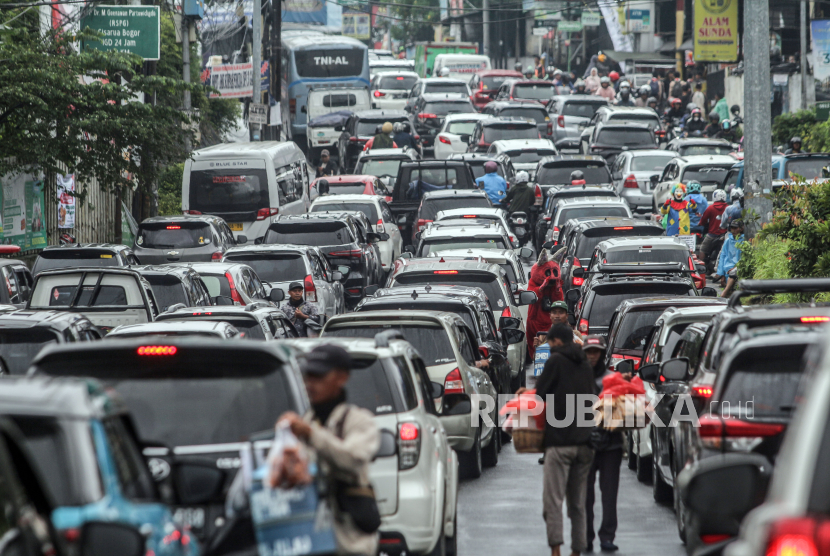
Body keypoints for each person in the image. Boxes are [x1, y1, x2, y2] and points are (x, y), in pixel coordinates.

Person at [278, 344, 381, 556]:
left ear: (342, 377)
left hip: (351, 546)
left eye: (319, 377)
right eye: (308, 377)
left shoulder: (359, 421)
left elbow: (352, 458)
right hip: (311, 543)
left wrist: (311, 435)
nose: (311, 384)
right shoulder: (305, 422)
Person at [520, 322, 595, 556]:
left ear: (557, 341)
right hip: (585, 443)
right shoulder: (584, 363)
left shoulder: (555, 360)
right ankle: (578, 551)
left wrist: (527, 395)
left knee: (553, 501)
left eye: (550, 343)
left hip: (560, 443)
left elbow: (540, 395)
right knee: (578, 503)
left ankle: (556, 551)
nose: (549, 347)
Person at [582, 336, 624, 553]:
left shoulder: (614, 379)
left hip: (611, 445)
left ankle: (607, 536)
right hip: (585, 446)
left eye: (596, 352)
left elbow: (626, 412)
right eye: (588, 351)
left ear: (602, 354)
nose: (592, 356)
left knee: (609, 495)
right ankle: (586, 537)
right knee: (585, 496)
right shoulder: (576, 379)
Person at [525, 249, 564, 358]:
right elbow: (532, 295)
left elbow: (559, 302)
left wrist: (557, 288)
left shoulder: (555, 284)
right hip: (535, 321)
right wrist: (542, 287)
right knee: (536, 350)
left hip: (550, 322)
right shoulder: (533, 282)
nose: (551, 276)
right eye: (548, 273)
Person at [698, 189, 729, 274]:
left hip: (712, 234)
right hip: (725, 234)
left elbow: (703, 220)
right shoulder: (728, 208)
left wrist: (700, 223)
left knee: (703, 249)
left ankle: (701, 268)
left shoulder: (710, 208)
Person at [715, 220, 744, 297]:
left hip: (737, 270)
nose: (733, 230)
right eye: (732, 228)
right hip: (727, 270)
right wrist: (721, 274)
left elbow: (744, 258)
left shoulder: (744, 241)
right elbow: (723, 256)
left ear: (741, 229)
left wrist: (736, 267)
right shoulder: (728, 241)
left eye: (735, 228)